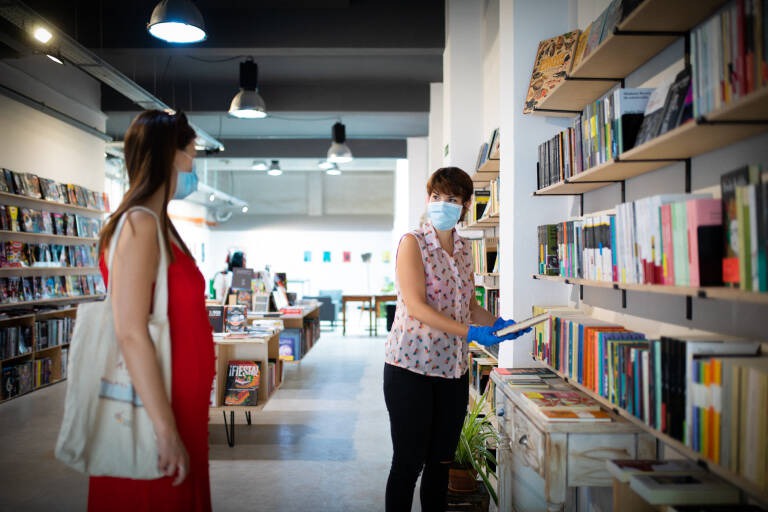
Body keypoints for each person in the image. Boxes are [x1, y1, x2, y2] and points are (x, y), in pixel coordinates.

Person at [384, 166, 530, 512]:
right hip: (410, 370)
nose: (442, 204)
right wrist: (471, 333)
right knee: (408, 463)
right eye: (436, 197)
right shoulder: (413, 244)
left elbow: (468, 306)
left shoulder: (465, 250)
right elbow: (418, 307)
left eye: (451, 199)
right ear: (428, 198)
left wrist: (499, 325)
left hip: (452, 372)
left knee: (441, 464)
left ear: (465, 206)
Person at [89, 110, 214, 512]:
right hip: (157, 402)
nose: (192, 165)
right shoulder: (140, 224)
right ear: (171, 155)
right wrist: (164, 427)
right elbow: (130, 330)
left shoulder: (160, 223)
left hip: (182, 402)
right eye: (191, 153)